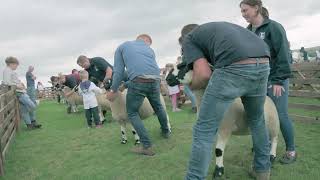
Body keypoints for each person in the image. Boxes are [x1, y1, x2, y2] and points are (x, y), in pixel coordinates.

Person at [180, 22, 271, 180]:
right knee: (257, 120)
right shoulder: (216, 30)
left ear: (183, 39)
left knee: (204, 129)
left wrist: (192, 86)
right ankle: (262, 171)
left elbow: (203, 75)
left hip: (234, 65)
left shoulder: (189, 39)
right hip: (263, 62)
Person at [240, 0, 297, 165]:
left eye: (245, 10)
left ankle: (291, 150)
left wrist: (279, 80)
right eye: (241, 11)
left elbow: (284, 55)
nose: (243, 14)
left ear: (256, 8)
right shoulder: (247, 31)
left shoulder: (274, 27)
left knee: (280, 114)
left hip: (275, 80)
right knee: (257, 115)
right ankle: (262, 146)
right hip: (257, 82)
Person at [106, 34, 171, 156]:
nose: (148, 46)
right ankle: (166, 132)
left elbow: (119, 72)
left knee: (132, 112)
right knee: (158, 107)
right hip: (155, 81)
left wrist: (113, 90)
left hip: (138, 82)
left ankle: (147, 146)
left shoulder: (123, 47)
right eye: (149, 43)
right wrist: (125, 85)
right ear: (145, 40)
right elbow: (147, 72)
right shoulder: (149, 50)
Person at [2, 57, 42, 130]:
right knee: (32, 105)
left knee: (24, 110)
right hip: (19, 92)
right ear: (11, 64)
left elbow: (13, 81)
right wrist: (18, 85)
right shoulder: (7, 71)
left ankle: (29, 125)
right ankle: (33, 121)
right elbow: (6, 82)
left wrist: (20, 83)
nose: (17, 67)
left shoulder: (10, 71)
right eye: (16, 65)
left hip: (19, 92)